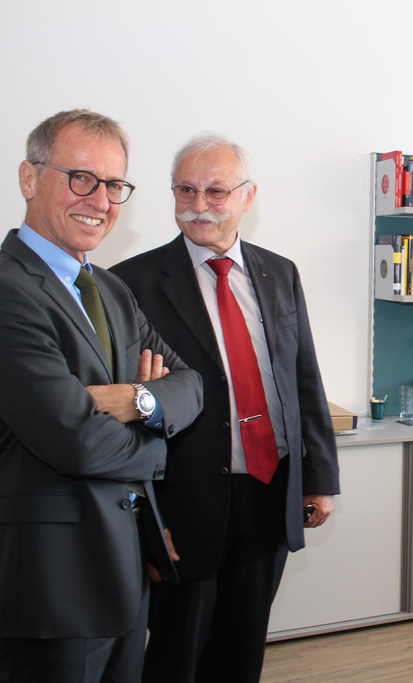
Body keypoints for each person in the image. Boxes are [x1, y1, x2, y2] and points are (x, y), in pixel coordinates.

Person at [0, 109, 204, 683]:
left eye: (114, 185)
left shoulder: (110, 289)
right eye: (81, 178)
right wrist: (159, 440)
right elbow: (78, 444)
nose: (101, 200)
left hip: (124, 572)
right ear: (29, 178)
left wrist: (136, 402)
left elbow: (191, 384)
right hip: (52, 588)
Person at [111, 133, 340, 682]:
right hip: (183, 499)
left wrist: (319, 477)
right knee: (177, 653)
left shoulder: (279, 273)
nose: (199, 204)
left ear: (247, 196)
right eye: (186, 190)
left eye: (216, 190)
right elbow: (125, 413)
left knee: (243, 646)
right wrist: (146, 520)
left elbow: (303, 378)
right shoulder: (131, 283)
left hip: (269, 489)